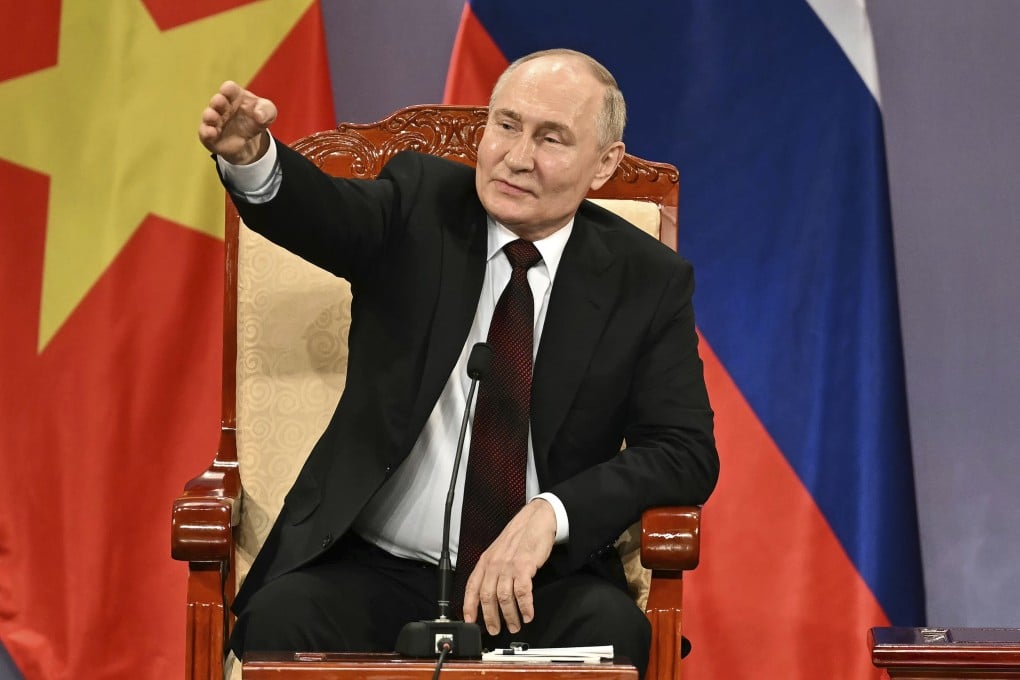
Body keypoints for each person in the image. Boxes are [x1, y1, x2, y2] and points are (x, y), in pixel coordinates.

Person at [198, 48, 718, 676]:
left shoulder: (646, 280)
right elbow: (325, 216)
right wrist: (253, 160)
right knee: (280, 620)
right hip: (375, 570)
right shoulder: (420, 205)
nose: (517, 157)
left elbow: (685, 450)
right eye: (506, 125)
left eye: (551, 139)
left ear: (604, 164)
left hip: (539, 583)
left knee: (614, 634)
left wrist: (551, 515)